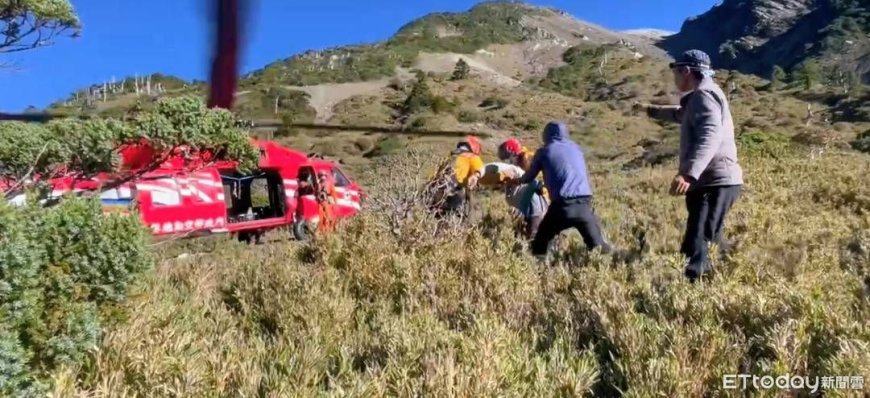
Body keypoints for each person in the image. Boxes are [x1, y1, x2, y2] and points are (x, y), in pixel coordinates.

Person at [634, 49, 743, 281]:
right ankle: (722, 278)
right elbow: (680, 115)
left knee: (699, 239)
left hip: (712, 181)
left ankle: (695, 290)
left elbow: (710, 135)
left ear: (686, 71)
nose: (674, 78)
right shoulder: (703, 96)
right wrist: (649, 110)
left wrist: (689, 174)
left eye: (676, 72)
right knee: (707, 235)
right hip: (715, 181)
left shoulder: (704, 95)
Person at [509, 121, 611, 259]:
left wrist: (516, 181)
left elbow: (528, 177)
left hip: (560, 207)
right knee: (599, 247)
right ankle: (622, 261)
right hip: (584, 205)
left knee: (540, 244)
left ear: (546, 135)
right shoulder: (577, 149)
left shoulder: (544, 151)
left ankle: (542, 273)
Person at [427, 136, 484, 219]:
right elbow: (481, 170)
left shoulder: (451, 156)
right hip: (454, 192)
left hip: (435, 192)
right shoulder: (472, 157)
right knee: (457, 219)